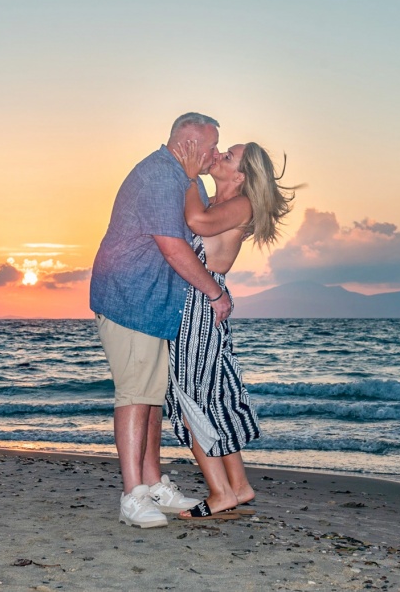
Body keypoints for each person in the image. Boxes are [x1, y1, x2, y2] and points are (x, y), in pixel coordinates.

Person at [90, 112, 233, 528]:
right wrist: (215, 292)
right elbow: (173, 248)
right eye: (211, 146)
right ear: (188, 143)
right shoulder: (157, 176)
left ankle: (152, 485)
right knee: (135, 395)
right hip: (130, 298)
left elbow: (203, 228)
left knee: (151, 398)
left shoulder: (185, 179)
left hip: (156, 304)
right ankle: (132, 495)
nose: (216, 154)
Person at [166, 139, 298, 520]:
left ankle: (220, 492)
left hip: (198, 306)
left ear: (240, 176)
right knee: (213, 397)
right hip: (200, 304)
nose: (219, 155)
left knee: (189, 400)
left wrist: (189, 174)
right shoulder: (219, 203)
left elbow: (197, 224)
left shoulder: (241, 204)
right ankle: (239, 486)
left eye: (228, 156)